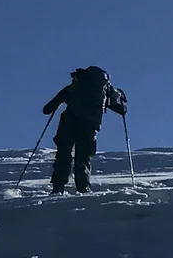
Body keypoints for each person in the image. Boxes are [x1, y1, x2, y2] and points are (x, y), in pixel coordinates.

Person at [41, 66, 128, 194]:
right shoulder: (105, 89)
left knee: (63, 155)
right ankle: (83, 188)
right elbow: (120, 110)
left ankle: (58, 188)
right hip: (90, 126)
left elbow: (47, 109)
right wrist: (123, 107)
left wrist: (56, 104)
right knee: (83, 157)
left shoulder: (75, 86)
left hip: (68, 123)